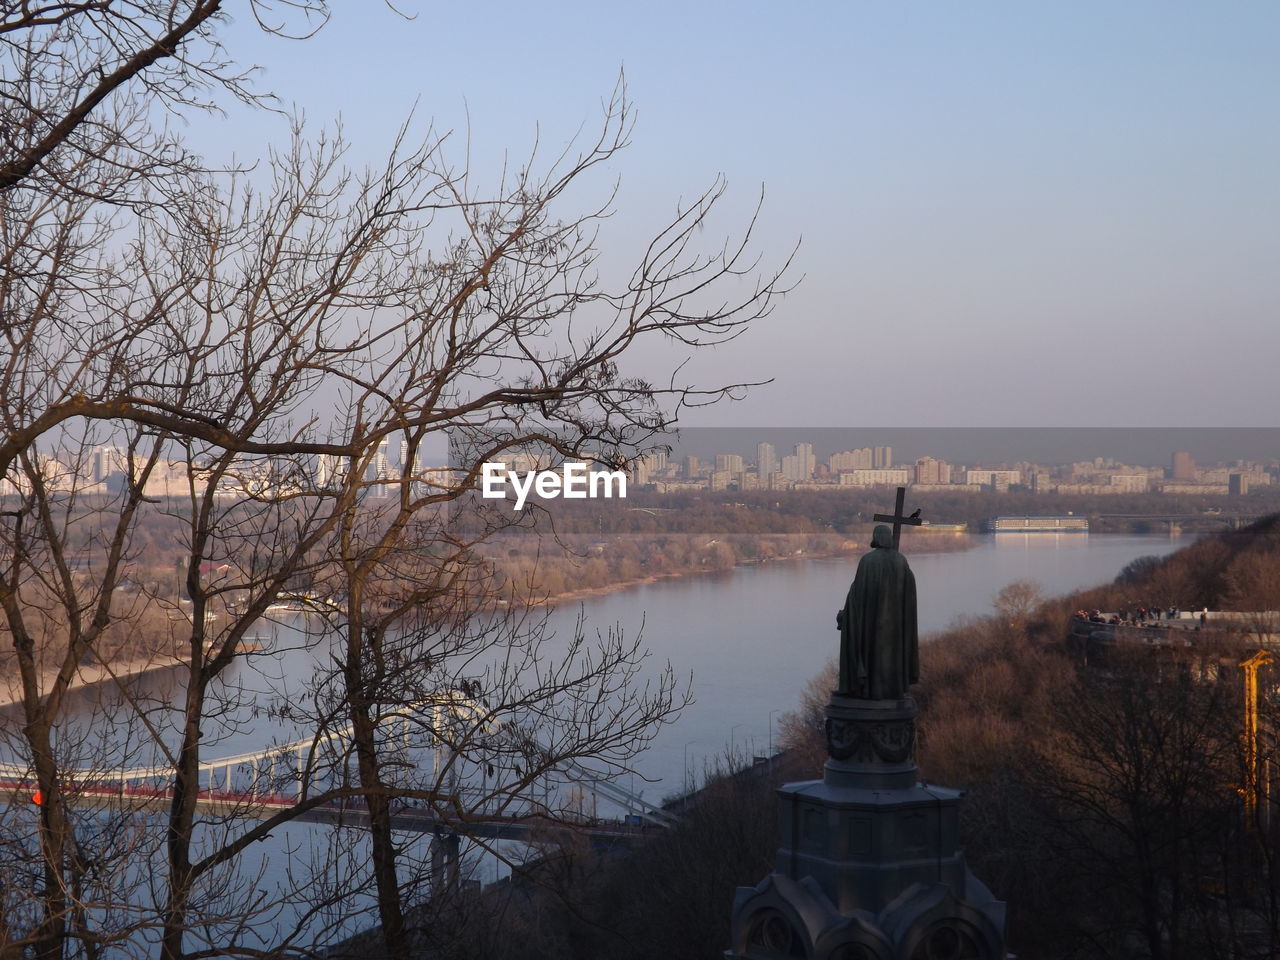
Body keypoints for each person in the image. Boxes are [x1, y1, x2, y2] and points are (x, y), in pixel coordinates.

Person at [836, 525, 919, 700]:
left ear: (876, 537)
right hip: (896, 624)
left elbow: (856, 595)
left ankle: (869, 690)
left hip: (871, 623)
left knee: (871, 653)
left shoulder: (867, 561)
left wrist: (846, 615)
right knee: (892, 654)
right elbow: (909, 592)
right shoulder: (900, 561)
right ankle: (893, 689)